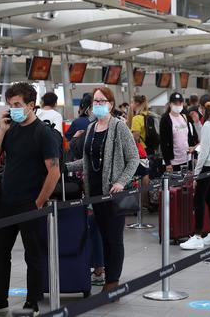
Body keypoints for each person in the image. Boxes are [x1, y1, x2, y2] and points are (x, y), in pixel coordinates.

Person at [0, 83, 61, 316]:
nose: (12, 109)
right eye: (10, 105)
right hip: (5, 201)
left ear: (31, 105)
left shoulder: (43, 133)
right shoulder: (10, 129)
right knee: (0, 253)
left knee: (32, 254)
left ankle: (32, 300)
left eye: (17, 105)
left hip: (29, 202)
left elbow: (54, 171)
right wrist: (2, 130)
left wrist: (38, 202)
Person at [67, 87, 139, 292]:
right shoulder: (91, 128)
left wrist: (121, 182)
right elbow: (87, 161)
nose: (97, 104)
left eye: (102, 101)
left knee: (113, 239)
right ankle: (107, 276)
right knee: (101, 236)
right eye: (95, 101)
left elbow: (133, 158)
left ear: (111, 104)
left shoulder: (119, 127)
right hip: (95, 193)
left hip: (114, 194)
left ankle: (112, 282)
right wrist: (65, 168)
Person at [179, 101, 210, 250]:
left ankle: (197, 235)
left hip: (206, 166)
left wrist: (196, 175)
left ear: (202, 109)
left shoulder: (208, 125)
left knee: (199, 199)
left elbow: (203, 152)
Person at [159, 92, 198, 171]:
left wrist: (194, 155)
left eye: (180, 103)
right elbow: (163, 142)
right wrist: (167, 163)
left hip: (187, 158)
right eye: (175, 103)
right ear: (170, 104)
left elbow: (190, 137)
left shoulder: (184, 117)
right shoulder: (165, 119)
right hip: (174, 161)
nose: (178, 105)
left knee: (188, 182)